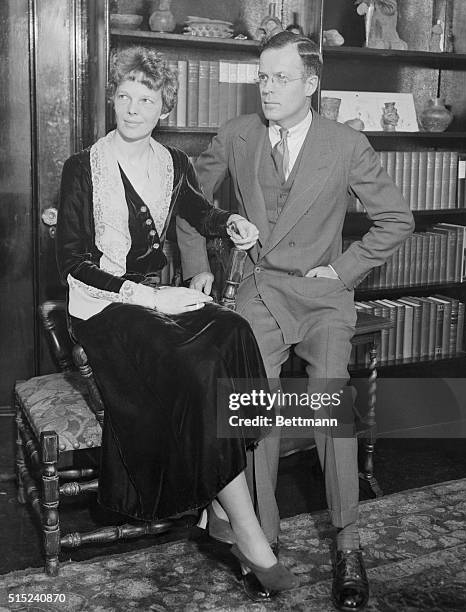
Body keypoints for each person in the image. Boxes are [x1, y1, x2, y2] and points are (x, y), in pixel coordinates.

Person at [178, 31, 414, 610]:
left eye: (280, 77)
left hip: (323, 296)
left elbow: (396, 218)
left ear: (310, 83)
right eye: (262, 76)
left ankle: (349, 546)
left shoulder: (347, 143)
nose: (268, 88)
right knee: (255, 413)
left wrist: (342, 271)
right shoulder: (238, 135)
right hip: (258, 290)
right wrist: (195, 270)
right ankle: (265, 541)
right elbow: (186, 202)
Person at [55, 46, 298, 599]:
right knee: (194, 366)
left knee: (234, 334)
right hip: (102, 306)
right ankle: (249, 535)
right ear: (111, 100)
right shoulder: (82, 167)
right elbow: (73, 263)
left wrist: (230, 220)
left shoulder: (172, 162)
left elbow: (195, 209)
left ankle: (218, 509)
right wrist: (152, 298)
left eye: (147, 100)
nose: (133, 109)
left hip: (155, 300)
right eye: (124, 97)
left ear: (164, 107)